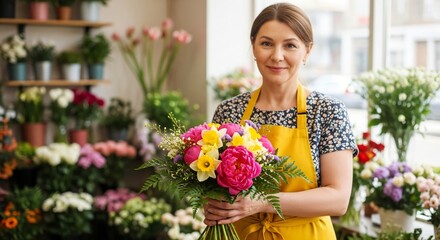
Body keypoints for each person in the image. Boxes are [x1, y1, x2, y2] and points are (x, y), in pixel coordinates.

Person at [204, 2, 358, 239]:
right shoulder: (230, 111)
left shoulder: (327, 111)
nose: (277, 56)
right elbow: (214, 187)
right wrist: (214, 206)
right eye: (266, 43)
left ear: (307, 51)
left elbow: (338, 199)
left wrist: (263, 202)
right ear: (253, 46)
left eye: (290, 45)